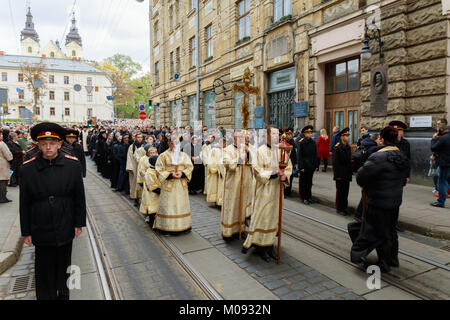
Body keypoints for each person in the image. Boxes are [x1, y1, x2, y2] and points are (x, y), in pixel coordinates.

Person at [19, 122, 86, 299]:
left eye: (52, 143)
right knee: (43, 271)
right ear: (38, 145)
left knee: (65, 268)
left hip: (65, 223)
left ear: (59, 144)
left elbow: (79, 197)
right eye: (44, 144)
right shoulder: (27, 169)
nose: (48, 147)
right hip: (41, 226)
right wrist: (26, 231)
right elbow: (24, 203)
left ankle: (64, 296)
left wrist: (79, 223)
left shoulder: (73, 166)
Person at [350, 126, 409, 273]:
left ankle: (362, 257)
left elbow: (361, 178)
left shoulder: (378, 157)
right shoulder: (401, 156)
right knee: (389, 231)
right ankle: (390, 259)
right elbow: (403, 180)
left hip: (377, 202)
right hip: (394, 202)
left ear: (382, 140)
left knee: (370, 231)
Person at [242, 127, 292, 262]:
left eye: (278, 134)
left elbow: (288, 167)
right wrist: (274, 174)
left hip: (277, 191)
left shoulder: (282, 151)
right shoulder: (259, 151)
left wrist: (285, 176)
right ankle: (260, 246)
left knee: (273, 218)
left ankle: (270, 245)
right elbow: (256, 170)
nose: (277, 136)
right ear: (267, 136)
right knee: (263, 217)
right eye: (274, 133)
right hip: (264, 190)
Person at [153, 133, 194, 233]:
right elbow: (158, 170)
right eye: (173, 144)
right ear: (169, 143)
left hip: (181, 185)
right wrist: (170, 175)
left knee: (181, 206)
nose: (175, 146)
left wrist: (183, 174)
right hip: (168, 186)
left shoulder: (184, 155)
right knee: (169, 207)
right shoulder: (163, 156)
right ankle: (167, 227)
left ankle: (183, 226)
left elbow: (190, 167)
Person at [220, 130, 251, 241]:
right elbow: (226, 163)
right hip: (232, 183)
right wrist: (239, 159)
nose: (241, 139)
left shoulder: (248, 148)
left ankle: (240, 229)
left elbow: (255, 162)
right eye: (238, 137)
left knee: (241, 207)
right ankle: (228, 231)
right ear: (234, 138)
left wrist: (248, 153)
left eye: (242, 137)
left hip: (245, 183)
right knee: (232, 206)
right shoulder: (227, 149)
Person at [332, 128, 353, 216]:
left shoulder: (348, 147)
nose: (348, 137)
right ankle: (339, 208)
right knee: (340, 192)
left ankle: (344, 207)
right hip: (340, 173)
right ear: (341, 137)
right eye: (346, 136)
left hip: (347, 173)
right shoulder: (337, 147)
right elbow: (335, 163)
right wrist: (337, 175)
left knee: (345, 192)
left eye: (348, 136)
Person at [430, 118, 450, 208]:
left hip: (445, 163)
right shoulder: (446, 137)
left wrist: (433, 139)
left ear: (442, 129)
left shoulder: (443, 139)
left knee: (441, 181)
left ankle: (441, 202)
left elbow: (433, 148)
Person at [296, 125, 319, 205]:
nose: (309, 134)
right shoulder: (301, 142)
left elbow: (315, 155)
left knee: (309, 182)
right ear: (304, 134)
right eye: (308, 133)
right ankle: (303, 197)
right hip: (304, 166)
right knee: (303, 183)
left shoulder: (313, 142)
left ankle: (309, 197)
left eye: (310, 133)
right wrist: (301, 167)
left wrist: (316, 165)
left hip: (311, 165)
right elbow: (299, 156)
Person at [140, 154, 161, 227]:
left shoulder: (155, 170)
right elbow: (152, 186)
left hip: (156, 194)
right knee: (152, 210)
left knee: (156, 209)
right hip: (152, 195)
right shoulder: (149, 173)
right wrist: (161, 191)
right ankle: (151, 224)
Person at [126, 133, 143, 202]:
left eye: (141, 137)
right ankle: (134, 196)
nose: (140, 138)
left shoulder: (144, 146)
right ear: (135, 138)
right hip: (134, 167)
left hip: (142, 167)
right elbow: (129, 157)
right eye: (138, 137)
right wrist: (130, 168)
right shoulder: (132, 147)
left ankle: (141, 197)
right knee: (134, 182)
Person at [0, 132, 13, 203]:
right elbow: (7, 154)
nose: (2, 135)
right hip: (2, 165)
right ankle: (2, 198)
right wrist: (11, 160)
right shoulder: (2, 144)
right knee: (2, 181)